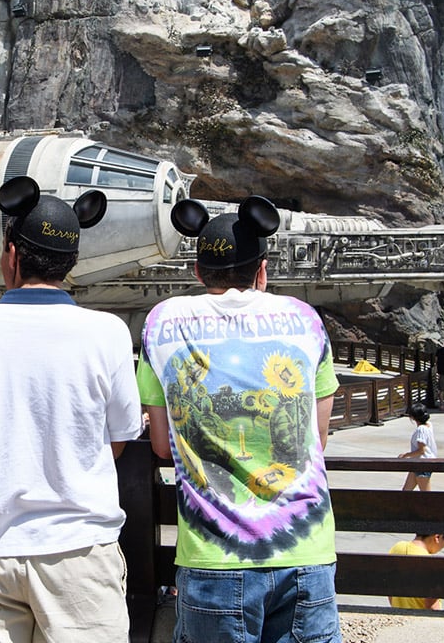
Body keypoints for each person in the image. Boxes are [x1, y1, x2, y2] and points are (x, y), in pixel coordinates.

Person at [0, 177, 142, 643]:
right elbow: (121, 438)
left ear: (11, 255)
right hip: (79, 548)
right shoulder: (106, 332)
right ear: (71, 263)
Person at [139, 195, 341, 643]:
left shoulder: (161, 321)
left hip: (214, 557)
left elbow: (159, 444)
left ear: (197, 272)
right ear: (262, 270)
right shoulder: (304, 319)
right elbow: (317, 438)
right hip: (305, 549)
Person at [387, 533, 444, 610]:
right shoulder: (432, 564)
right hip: (419, 619)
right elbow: (432, 608)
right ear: (437, 537)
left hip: (398, 613)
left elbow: (389, 588)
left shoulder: (398, 547)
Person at [399, 403, 437, 491]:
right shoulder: (429, 425)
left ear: (413, 417)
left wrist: (405, 455)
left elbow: (421, 450)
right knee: (406, 491)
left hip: (423, 464)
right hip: (417, 463)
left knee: (426, 494)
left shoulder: (421, 430)